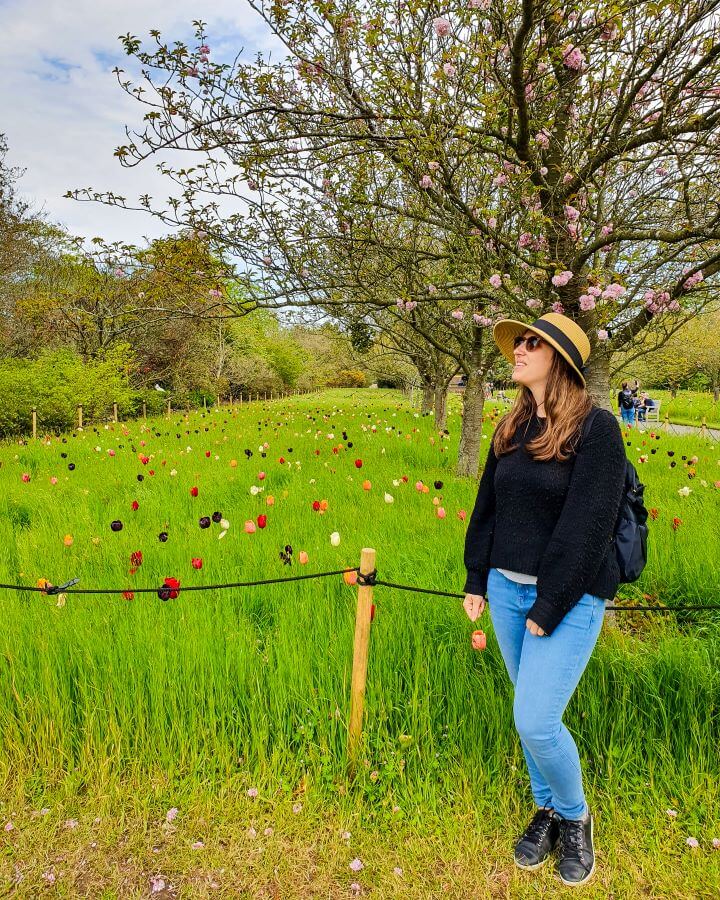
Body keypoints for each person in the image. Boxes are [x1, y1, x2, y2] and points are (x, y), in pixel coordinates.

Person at [462, 312, 626, 887]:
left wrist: (549, 605)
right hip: (506, 592)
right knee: (525, 713)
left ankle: (576, 815)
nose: (519, 349)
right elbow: (488, 506)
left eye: (531, 343)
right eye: (519, 341)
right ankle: (548, 807)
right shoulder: (511, 426)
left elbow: (591, 525)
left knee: (535, 718)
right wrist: (476, 578)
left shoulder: (597, 429)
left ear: (558, 358)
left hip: (568, 597)